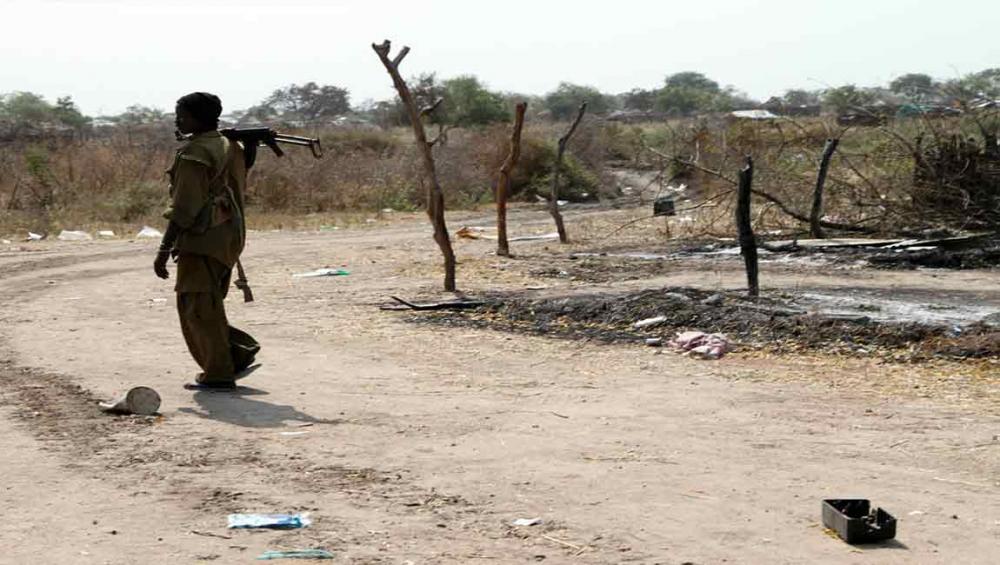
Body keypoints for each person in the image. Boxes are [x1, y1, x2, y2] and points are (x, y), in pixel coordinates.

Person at [154, 92, 259, 389]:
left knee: (197, 305)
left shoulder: (196, 154)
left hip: (203, 239)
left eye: (182, 115)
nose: (178, 120)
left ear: (199, 118)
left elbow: (184, 207)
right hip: (229, 237)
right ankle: (235, 354)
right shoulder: (229, 145)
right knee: (208, 302)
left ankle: (218, 373)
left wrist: (163, 249)